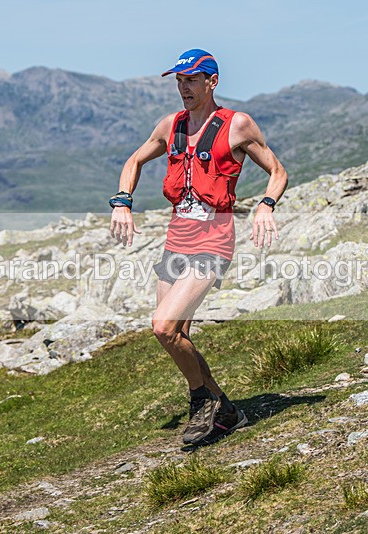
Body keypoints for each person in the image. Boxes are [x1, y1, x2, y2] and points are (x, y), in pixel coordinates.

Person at [109, 49, 288, 447]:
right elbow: (134, 160)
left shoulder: (237, 125)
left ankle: (200, 402)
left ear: (212, 81)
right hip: (177, 240)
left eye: (191, 79)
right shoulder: (170, 125)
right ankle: (226, 409)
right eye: (178, 80)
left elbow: (277, 171)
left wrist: (265, 204)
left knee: (163, 326)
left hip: (213, 241)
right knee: (177, 335)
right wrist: (122, 201)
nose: (183, 87)